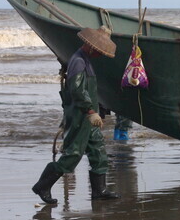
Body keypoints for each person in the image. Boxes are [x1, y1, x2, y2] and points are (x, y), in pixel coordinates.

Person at [32, 27, 120, 204]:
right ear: (92, 47)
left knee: (98, 151)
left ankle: (99, 190)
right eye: (100, 51)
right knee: (73, 154)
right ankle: (42, 185)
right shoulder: (78, 61)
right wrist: (90, 111)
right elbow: (77, 90)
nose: (100, 55)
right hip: (81, 116)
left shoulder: (85, 60)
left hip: (89, 116)